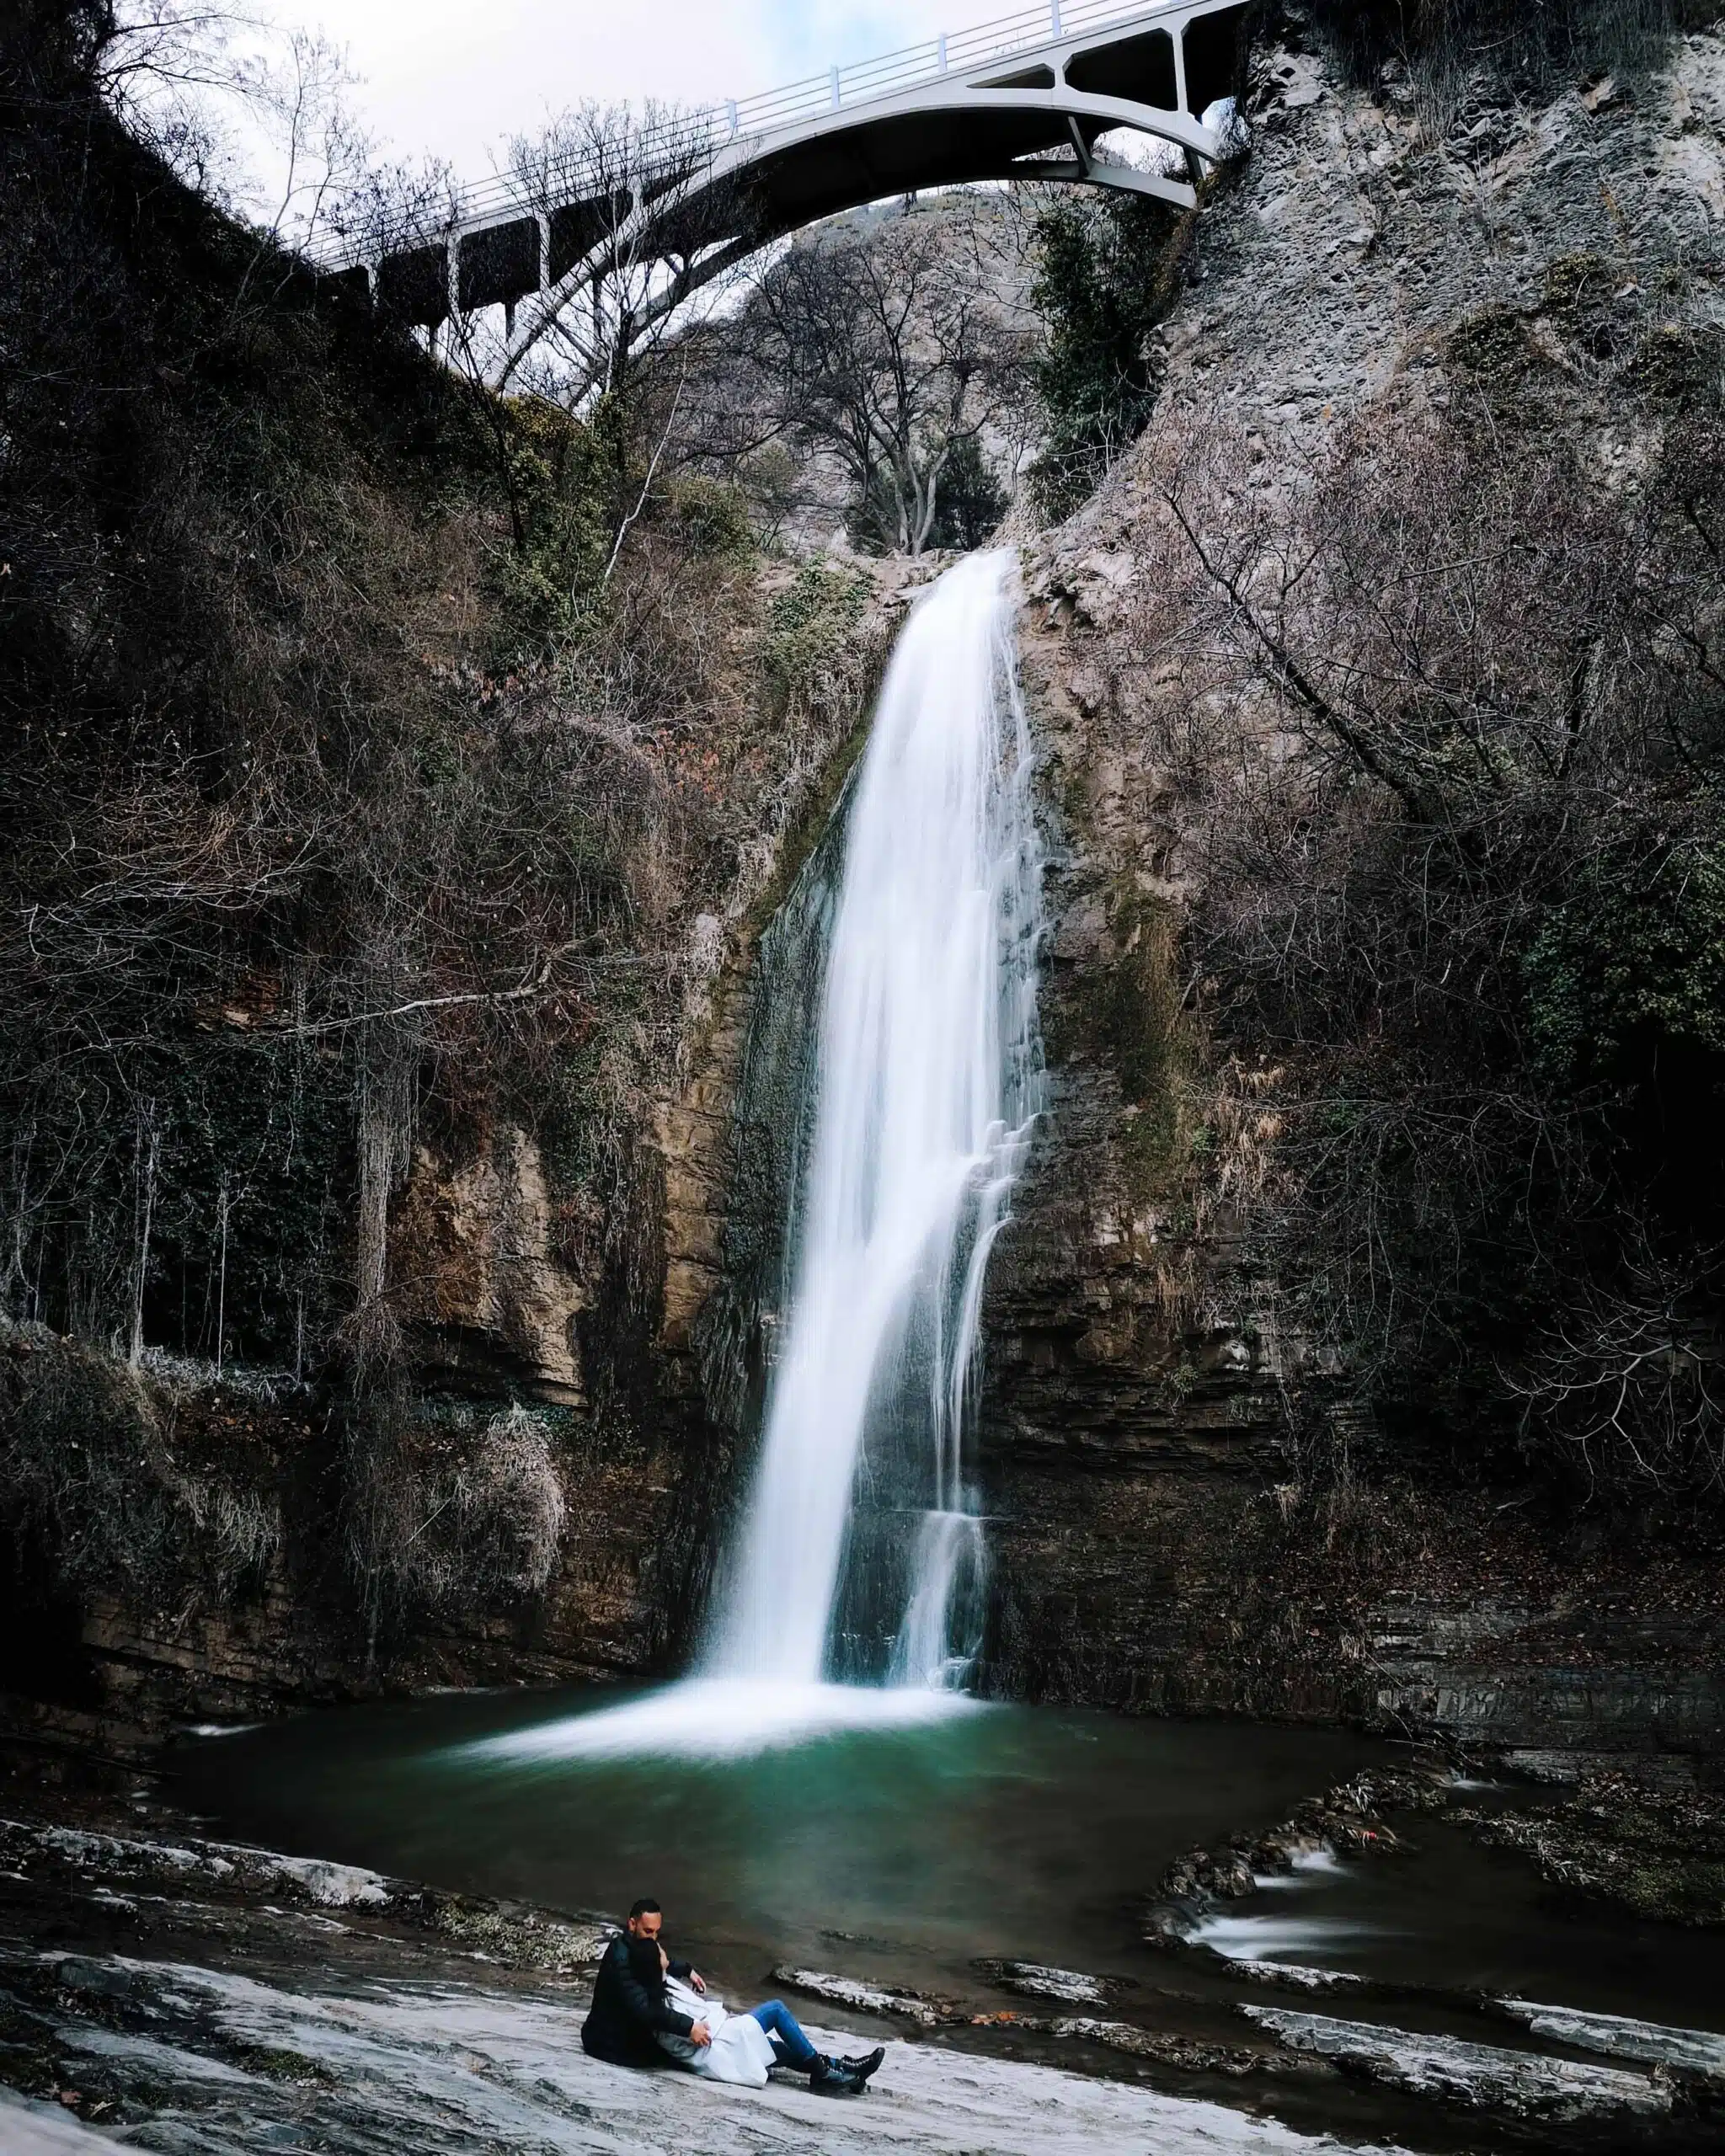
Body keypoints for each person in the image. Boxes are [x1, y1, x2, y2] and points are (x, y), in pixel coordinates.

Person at [581, 1897, 884, 2096]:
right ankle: (824, 2071)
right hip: (616, 2044)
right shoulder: (625, 1962)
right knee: (775, 2013)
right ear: (631, 1924)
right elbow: (647, 2010)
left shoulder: (641, 1954)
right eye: (649, 1933)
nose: (655, 1940)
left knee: (771, 2048)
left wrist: (686, 1969)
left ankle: (842, 2068)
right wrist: (690, 2027)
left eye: (657, 1934)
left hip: (698, 2041)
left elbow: (658, 1964)